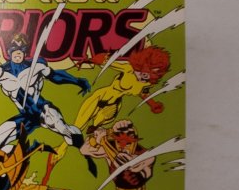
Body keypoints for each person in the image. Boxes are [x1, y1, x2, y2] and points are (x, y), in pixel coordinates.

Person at [0, 33, 90, 152]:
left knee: (64, 130)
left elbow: (56, 76)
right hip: (26, 117)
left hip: (43, 111)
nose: (18, 53)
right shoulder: (0, 72)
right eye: (15, 50)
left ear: (25, 52)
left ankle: (85, 150)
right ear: (9, 52)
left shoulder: (35, 66)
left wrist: (77, 81)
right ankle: (12, 154)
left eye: (21, 50)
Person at [45, 46, 170, 179]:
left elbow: (143, 93)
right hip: (100, 98)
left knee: (95, 131)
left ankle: (89, 152)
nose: (146, 74)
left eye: (154, 72)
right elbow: (107, 61)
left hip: (113, 106)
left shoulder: (146, 84)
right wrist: (89, 60)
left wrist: (153, 104)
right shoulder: (128, 69)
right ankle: (59, 152)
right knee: (76, 127)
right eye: (148, 69)